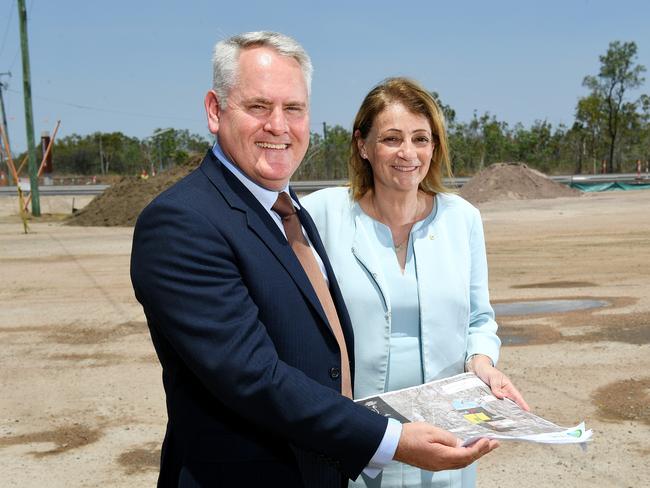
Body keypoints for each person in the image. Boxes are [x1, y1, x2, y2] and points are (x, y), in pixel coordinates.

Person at [130, 33, 498, 487]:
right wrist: (391, 440)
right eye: (259, 107)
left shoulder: (290, 210)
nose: (278, 126)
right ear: (214, 110)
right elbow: (253, 376)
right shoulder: (182, 222)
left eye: (294, 109)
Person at [302, 77, 528, 488]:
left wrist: (482, 364)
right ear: (362, 145)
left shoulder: (463, 219)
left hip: (446, 443)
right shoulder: (320, 215)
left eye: (421, 139)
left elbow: (480, 319)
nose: (408, 153)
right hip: (357, 445)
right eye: (391, 138)